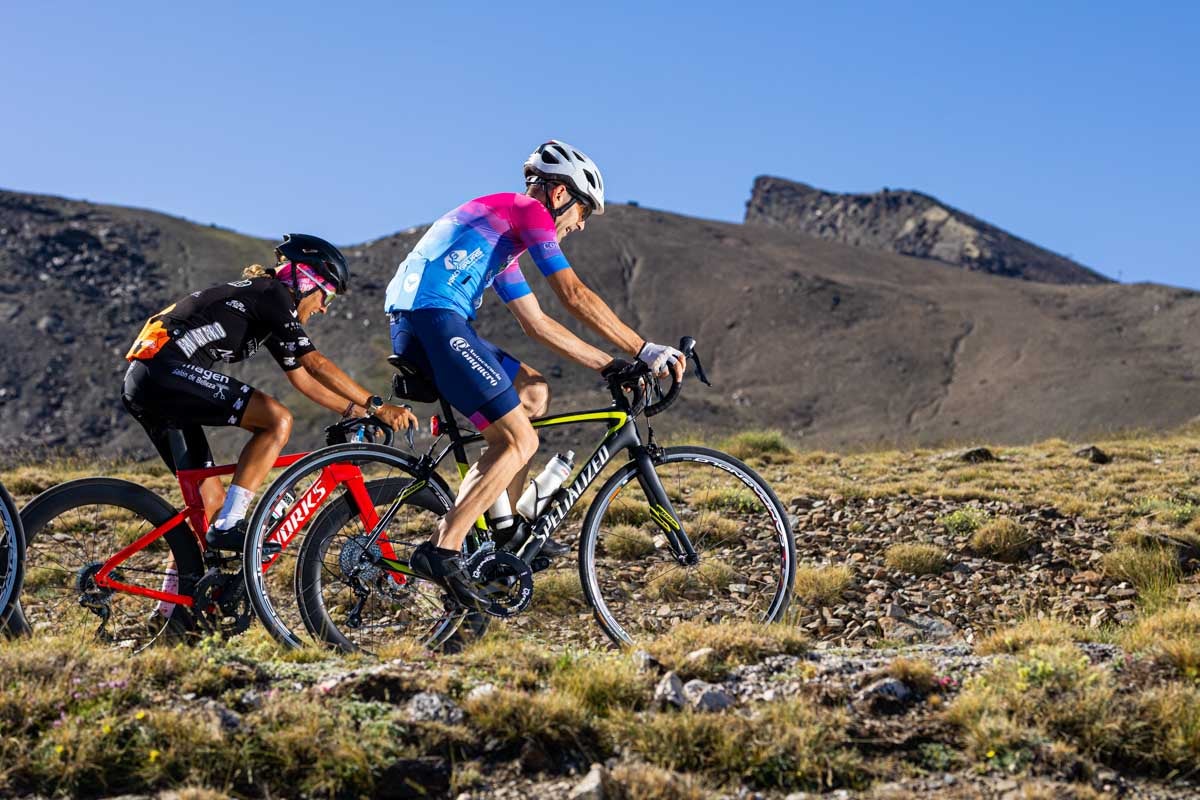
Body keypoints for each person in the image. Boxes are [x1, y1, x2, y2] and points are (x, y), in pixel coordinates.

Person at [384, 140, 686, 606]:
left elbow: (537, 323)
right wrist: (644, 350)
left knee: (532, 391)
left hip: (427, 321)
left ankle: (502, 532)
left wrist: (609, 365)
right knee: (521, 441)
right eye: (583, 210)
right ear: (561, 194)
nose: (581, 224)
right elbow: (572, 294)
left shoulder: (501, 234)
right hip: (433, 320)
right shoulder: (528, 211)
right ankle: (442, 549)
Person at [124, 233, 416, 559]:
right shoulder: (272, 294)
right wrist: (377, 406)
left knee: (211, 508)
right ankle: (231, 526)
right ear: (306, 281)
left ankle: (179, 603)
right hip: (165, 373)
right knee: (277, 420)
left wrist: (354, 411)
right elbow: (315, 364)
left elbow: (302, 380)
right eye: (326, 297)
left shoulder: (267, 306)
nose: (323, 309)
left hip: (151, 381)